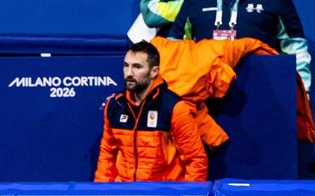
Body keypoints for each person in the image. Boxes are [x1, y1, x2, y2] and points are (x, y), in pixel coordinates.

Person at [95, 40, 208, 182]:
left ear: (154, 72)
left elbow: (195, 160)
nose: (129, 73)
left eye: (137, 67)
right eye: (126, 66)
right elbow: (107, 155)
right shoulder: (114, 105)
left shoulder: (175, 107)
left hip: (163, 195)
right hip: (123, 194)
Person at [168, 0, 311, 91]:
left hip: (265, 94)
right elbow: (174, 48)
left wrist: (302, 91)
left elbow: (295, 47)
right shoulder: (193, 2)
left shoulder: (277, 2)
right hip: (203, 97)